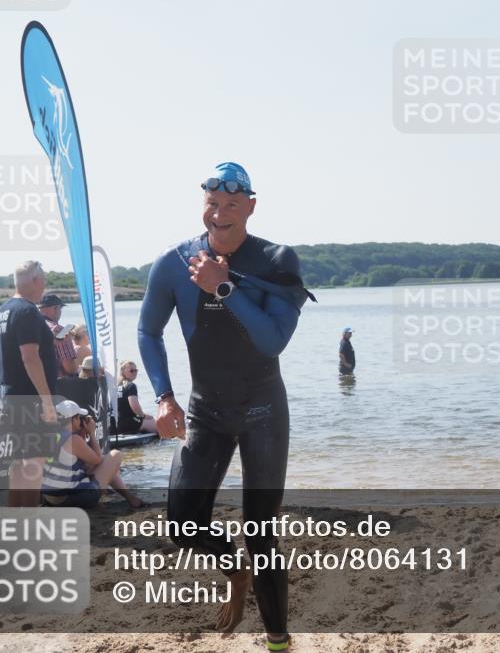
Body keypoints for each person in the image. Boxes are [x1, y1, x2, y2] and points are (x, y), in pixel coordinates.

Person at [138, 161, 312, 648]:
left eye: (232, 204)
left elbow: (273, 340)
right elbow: (148, 331)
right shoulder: (173, 263)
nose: (220, 214)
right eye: (213, 204)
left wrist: (221, 287)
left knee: (262, 536)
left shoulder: (277, 260)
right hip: (205, 410)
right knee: (183, 525)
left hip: (262, 412)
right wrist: (164, 397)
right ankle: (235, 571)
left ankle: (279, 640)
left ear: (250, 207)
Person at [0, 261, 59, 507]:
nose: (44, 284)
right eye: (43, 279)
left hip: (11, 396)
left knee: (20, 466)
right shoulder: (27, 311)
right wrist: (46, 402)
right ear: (36, 281)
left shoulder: (4, 309)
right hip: (30, 399)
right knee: (33, 466)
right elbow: (29, 357)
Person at [41, 399, 143, 508]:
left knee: (104, 463)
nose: (81, 420)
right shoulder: (73, 439)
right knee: (115, 455)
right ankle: (131, 499)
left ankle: (131, 498)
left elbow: (84, 461)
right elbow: (98, 459)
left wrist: (84, 436)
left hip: (50, 498)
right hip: (68, 500)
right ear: (73, 419)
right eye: (79, 417)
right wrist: (92, 433)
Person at [38, 294, 78, 378]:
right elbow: (69, 368)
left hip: (36, 383)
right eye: (60, 308)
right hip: (58, 385)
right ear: (55, 308)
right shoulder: (60, 331)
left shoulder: (31, 328)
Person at [113, 360, 157, 434]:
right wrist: (143, 416)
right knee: (159, 425)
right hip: (127, 423)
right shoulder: (130, 386)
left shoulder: (114, 387)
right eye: (131, 371)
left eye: (136, 370)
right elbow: (135, 406)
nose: (134, 372)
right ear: (123, 372)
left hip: (113, 425)